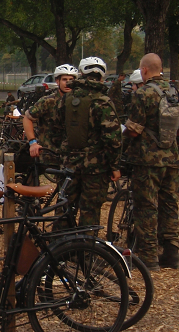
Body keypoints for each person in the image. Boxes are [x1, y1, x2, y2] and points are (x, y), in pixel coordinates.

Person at [28, 57, 121, 228]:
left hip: (68, 165)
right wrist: (114, 166)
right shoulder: (103, 102)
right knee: (90, 212)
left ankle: (60, 243)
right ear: (101, 78)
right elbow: (113, 139)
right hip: (95, 169)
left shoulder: (66, 100)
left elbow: (56, 127)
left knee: (64, 208)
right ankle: (86, 244)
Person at [123, 53, 179, 271]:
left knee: (146, 207)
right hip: (171, 159)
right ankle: (171, 253)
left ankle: (148, 257)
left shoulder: (142, 94)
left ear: (144, 70)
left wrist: (124, 143)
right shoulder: (178, 94)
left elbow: (134, 130)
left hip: (147, 161)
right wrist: (171, 147)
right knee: (169, 204)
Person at [23, 64, 80, 158]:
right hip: (48, 155)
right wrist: (33, 143)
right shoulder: (48, 101)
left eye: (71, 80)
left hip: (71, 157)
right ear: (57, 81)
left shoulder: (78, 102)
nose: (68, 83)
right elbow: (27, 118)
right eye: (64, 79)